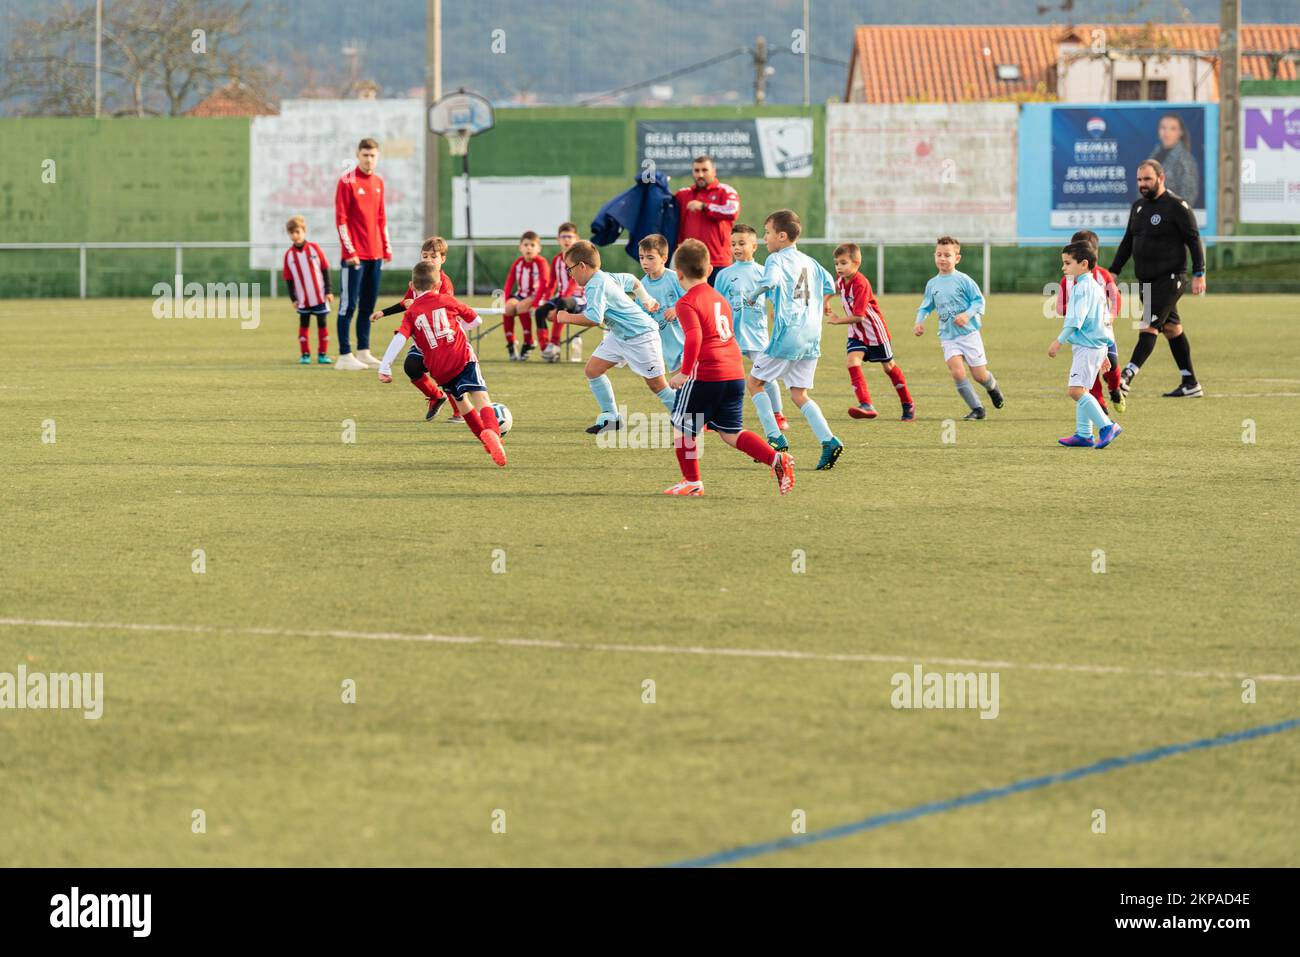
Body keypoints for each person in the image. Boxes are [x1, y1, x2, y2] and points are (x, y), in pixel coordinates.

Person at [663, 239, 796, 497]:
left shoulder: (686, 302)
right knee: (731, 432)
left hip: (706, 373)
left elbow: (694, 337)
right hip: (733, 372)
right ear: (710, 269)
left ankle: (692, 482)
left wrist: (685, 371)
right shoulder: (718, 298)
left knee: (682, 425)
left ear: (678, 273)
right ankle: (776, 459)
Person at [375, 263, 506, 467]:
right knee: (481, 397)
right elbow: (476, 320)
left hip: (439, 368)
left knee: (463, 405)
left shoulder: (411, 312)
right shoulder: (446, 299)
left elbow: (400, 338)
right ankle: (494, 435)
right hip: (461, 358)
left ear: (412, 285)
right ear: (437, 284)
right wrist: (457, 327)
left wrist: (385, 366)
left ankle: (484, 440)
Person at [743, 209, 845, 471]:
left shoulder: (776, 260)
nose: (765, 239)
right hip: (812, 336)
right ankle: (829, 440)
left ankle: (775, 439)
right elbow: (831, 284)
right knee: (799, 393)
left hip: (788, 334)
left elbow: (771, 281)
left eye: (767, 233)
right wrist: (822, 306)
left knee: (755, 383)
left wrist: (754, 296)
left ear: (782, 235)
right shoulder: (810, 262)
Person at [554, 241, 678, 435]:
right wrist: (646, 299)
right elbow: (632, 280)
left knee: (657, 385)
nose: (570, 274)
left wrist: (566, 317)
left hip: (641, 336)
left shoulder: (595, 285)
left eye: (570, 269)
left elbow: (594, 318)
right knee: (593, 370)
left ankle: (688, 417)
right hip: (620, 336)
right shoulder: (605, 276)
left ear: (582, 266)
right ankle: (611, 418)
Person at [1108, 159, 1207, 399]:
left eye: (1148, 179)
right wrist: (1113, 271)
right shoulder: (1138, 207)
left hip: (1171, 278)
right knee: (1172, 329)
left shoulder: (1177, 206)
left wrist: (1199, 272)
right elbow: (1128, 242)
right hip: (1147, 281)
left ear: (1161, 178)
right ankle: (1190, 382)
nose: (1143, 184)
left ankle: (1126, 377)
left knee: (1149, 325)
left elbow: (1193, 240)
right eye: (1140, 180)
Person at [913, 236, 1004, 420]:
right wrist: (919, 321)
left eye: (947, 255)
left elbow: (979, 301)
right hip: (948, 336)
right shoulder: (932, 284)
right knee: (957, 372)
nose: (942, 258)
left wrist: (966, 315)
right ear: (934, 256)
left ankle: (992, 387)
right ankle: (977, 409)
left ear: (957, 258)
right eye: (939, 254)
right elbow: (926, 306)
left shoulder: (964, 280)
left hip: (969, 335)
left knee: (979, 375)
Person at [369, 236, 456, 421]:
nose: (428, 260)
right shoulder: (419, 278)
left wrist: (415, 303)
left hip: (441, 338)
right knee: (411, 366)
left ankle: (460, 412)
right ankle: (435, 396)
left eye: (433, 256)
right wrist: (383, 313)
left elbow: (441, 307)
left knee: (445, 375)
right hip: (422, 338)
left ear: (443, 259)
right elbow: (406, 303)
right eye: (425, 256)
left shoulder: (444, 283)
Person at [712, 224, 788, 432]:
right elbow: (716, 303)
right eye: (733, 244)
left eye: (742, 243)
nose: (736, 248)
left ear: (754, 246)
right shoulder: (724, 274)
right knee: (720, 376)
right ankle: (715, 415)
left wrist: (776, 311)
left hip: (756, 335)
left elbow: (774, 298)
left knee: (767, 376)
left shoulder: (763, 272)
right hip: (729, 336)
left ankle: (778, 414)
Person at [828, 242, 915, 422]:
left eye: (843, 263)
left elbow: (859, 316)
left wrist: (837, 321)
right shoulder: (842, 280)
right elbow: (835, 288)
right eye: (836, 263)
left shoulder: (861, 283)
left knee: (889, 367)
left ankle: (908, 404)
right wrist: (826, 301)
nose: (839, 267)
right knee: (852, 361)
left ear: (856, 263)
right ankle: (866, 404)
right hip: (856, 333)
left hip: (874, 332)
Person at [1050, 241, 1123, 449]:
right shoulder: (1095, 286)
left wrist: (1058, 341)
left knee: (1075, 391)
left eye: (1067, 263)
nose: (1063, 268)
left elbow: (1075, 320)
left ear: (1083, 264)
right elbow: (1102, 320)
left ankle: (1107, 426)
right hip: (1095, 346)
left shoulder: (1082, 288)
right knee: (1083, 388)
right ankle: (1084, 434)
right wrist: (1105, 352)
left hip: (1087, 347)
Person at [334, 137, 392, 370]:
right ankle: (344, 355)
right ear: (358, 155)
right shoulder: (347, 181)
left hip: (375, 254)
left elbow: (381, 218)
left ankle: (363, 350)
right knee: (348, 305)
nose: (369, 159)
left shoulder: (378, 182)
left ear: (377, 157)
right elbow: (341, 219)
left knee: (368, 305)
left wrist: (386, 247)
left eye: (373, 155)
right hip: (354, 257)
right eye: (365, 155)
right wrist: (350, 251)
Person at [673, 155, 739, 285]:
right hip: (689, 263)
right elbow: (661, 205)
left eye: (704, 170)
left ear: (713, 171)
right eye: (696, 171)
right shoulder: (683, 194)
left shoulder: (725, 191)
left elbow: (732, 210)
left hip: (718, 262)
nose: (700, 174)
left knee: (719, 304)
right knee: (691, 303)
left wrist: (704, 206)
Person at [282, 215, 333, 365]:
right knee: (304, 325)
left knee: (322, 324)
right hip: (303, 299)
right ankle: (305, 355)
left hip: (319, 297)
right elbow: (289, 279)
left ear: (304, 231)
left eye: (297, 232)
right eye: (291, 233)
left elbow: (325, 269)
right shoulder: (289, 255)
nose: (294, 235)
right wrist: (293, 299)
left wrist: (328, 290)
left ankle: (322, 354)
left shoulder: (314, 249)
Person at [638, 234, 686, 375]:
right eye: (642, 257)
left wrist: (677, 308)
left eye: (650, 258)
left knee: (692, 384)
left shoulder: (675, 278)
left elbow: (692, 300)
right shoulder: (641, 286)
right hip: (667, 347)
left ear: (664, 259)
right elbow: (642, 317)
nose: (645, 262)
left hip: (687, 343)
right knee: (681, 389)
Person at [537, 222, 583, 362]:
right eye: (563, 237)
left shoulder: (578, 259)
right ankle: (546, 348)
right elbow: (551, 282)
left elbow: (573, 283)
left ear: (576, 239)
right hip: (561, 297)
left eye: (570, 236)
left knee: (562, 303)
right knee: (540, 311)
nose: (567, 240)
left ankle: (555, 343)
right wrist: (546, 299)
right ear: (558, 240)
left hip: (578, 299)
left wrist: (557, 307)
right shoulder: (557, 259)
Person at [502, 231, 552, 361]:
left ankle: (528, 341)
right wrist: (506, 298)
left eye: (532, 245)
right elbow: (509, 281)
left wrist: (535, 303)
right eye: (525, 245)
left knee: (522, 306)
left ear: (538, 248)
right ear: (520, 247)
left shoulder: (541, 263)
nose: (529, 248)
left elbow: (544, 283)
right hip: (521, 294)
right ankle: (511, 343)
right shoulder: (518, 262)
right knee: (508, 307)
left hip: (536, 295)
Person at [1149, 113, 1200, 208]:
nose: (1166, 132)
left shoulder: (1185, 159)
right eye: (1163, 128)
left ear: (1180, 132)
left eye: (1172, 129)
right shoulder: (1155, 154)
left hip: (1171, 216)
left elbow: (1188, 195)